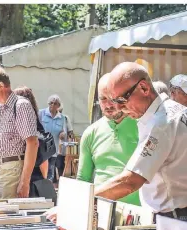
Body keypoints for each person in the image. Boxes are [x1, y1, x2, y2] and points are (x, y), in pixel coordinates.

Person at [95, 62, 187, 221]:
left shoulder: (161, 124)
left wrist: (80, 202)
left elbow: (130, 181)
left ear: (144, 88)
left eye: (122, 99)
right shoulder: (175, 111)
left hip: (174, 219)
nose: (118, 107)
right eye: (113, 101)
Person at [77, 73, 141, 206]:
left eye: (112, 98)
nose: (108, 105)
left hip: (137, 215)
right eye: (103, 99)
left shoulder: (143, 126)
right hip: (100, 211)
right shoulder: (90, 133)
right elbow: (83, 179)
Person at [0, 66, 39, 199]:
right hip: (0, 173)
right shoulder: (2, 108)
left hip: (12, 171)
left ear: (1, 85)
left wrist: (24, 182)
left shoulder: (20, 105)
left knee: (8, 217)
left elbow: (32, 143)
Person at [13, 86, 49, 180]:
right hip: (27, 174)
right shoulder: (36, 123)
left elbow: (42, 156)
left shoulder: (33, 125)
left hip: (30, 177)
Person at [38, 95, 68, 184]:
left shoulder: (62, 118)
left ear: (58, 106)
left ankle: (48, 191)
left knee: (50, 172)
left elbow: (64, 131)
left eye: (55, 104)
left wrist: (63, 134)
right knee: (41, 172)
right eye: (51, 103)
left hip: (53, 149)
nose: (52, 105)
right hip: (41, 149)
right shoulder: (41, 113)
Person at [55, 103, 74, 182]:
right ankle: (53, 181)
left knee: (60, 163)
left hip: (61, 146)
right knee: (51, 163)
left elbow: (70, 131)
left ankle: (60, 179)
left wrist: (70, 137)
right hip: (52, 145)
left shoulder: (65, 118)